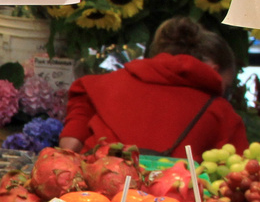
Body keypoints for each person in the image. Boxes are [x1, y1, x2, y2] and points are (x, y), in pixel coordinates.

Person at [59, 17, 246, 155]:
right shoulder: (222, 112)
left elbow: (69, 148)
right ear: (214, 70)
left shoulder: (94, 86)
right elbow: (236, 179)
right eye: (226, 88)